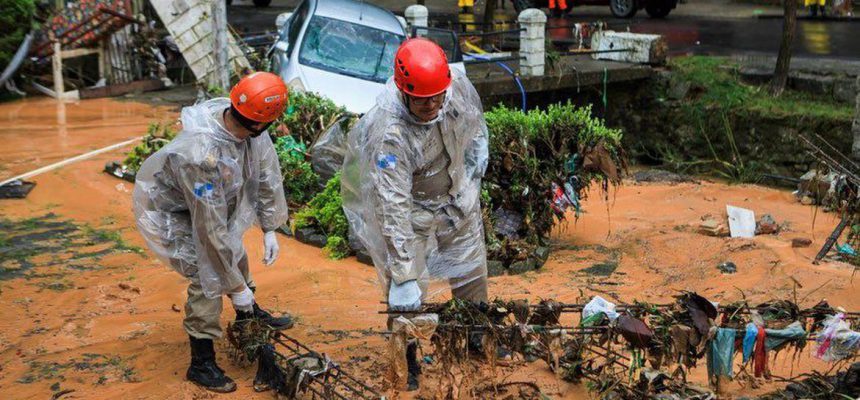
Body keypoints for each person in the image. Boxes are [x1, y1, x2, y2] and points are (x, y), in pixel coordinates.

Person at [340, 38, 490, 391]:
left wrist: (477, 152)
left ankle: (476, 337)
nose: (433, 104)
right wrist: (405, 274)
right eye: (423, 99)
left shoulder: (452, 88)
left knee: (472, 271)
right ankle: (405, 355)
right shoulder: (389, 133)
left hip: (456, 194)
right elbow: (392, 203)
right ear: (405, 92)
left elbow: (474, 123)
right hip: (412, 209)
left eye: (438, 96)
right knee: (406, 294)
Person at [133, 72, 293, 393]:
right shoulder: (199, 155)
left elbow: (266, 175)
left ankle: (249, 313)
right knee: (208, 275)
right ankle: (201, 360)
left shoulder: (251, 128)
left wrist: (271, 226)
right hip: (174, 213)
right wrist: (234, 287)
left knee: (231, 252)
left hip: (214, 206)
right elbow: (209, 229)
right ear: (256, 121)